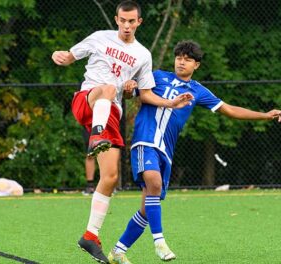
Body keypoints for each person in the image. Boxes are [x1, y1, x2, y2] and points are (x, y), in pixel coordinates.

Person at [107, 40, 281, 264]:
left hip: (166, 150)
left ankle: (118, 252)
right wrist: (129, 88)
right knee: (154, 182)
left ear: (196, 65)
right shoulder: (157, 76)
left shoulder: (198, 90)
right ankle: (159, 242)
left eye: (187, 59)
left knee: (146, 209)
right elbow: (132, 93)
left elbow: (229, 110)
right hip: (145, 139)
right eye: (179, 57)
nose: (181, 62)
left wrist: (265, 115)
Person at [52, 1, 193, 262]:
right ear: (116, 19)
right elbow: (69, 56)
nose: (126, 26)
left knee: (111, 176)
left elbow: (146, 94)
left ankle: (90, 236)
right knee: (107, 87)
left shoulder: (143, 55)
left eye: (132, 21)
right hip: (88, 100)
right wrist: (59, 56)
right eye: (122, 20)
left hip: (111, 114)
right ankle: (97, 135)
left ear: (139, 22)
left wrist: (170, 102)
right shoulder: (99, 38)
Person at [82, 127, 96, 195]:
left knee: (106, 154)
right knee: (90, 155)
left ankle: (108, 186)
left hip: (107, 123)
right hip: (90, 125)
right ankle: (90, 186)